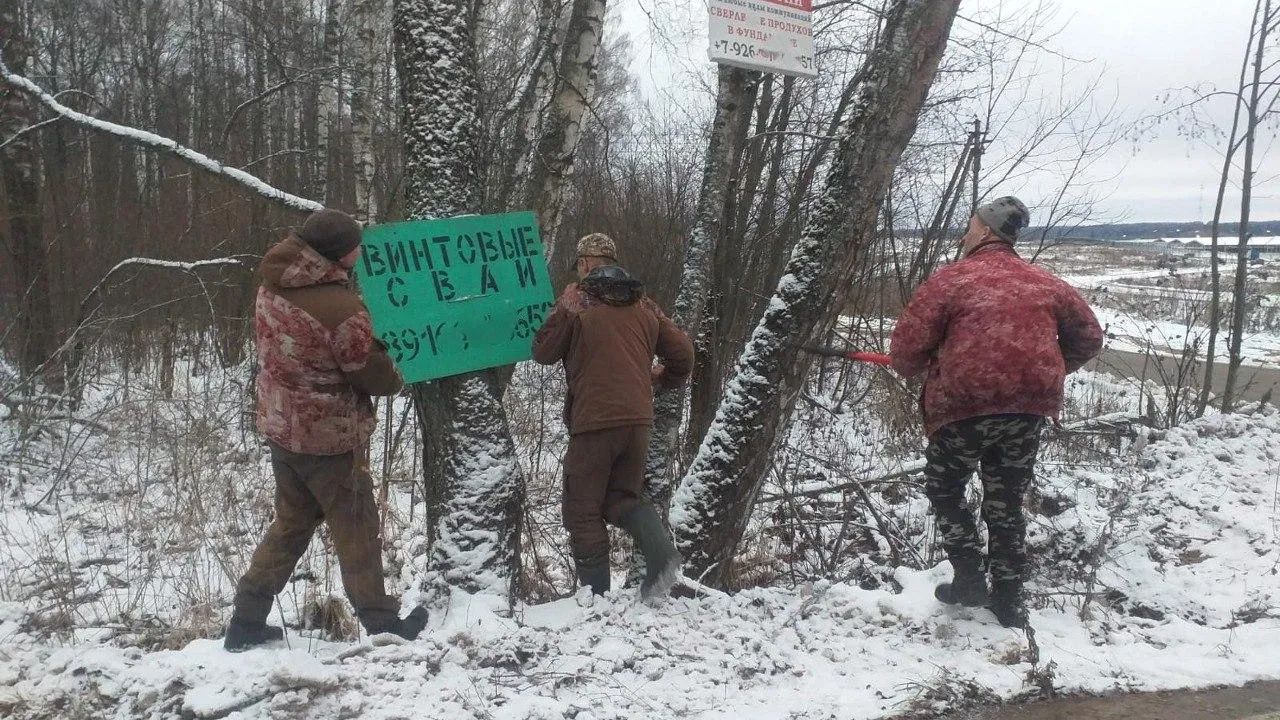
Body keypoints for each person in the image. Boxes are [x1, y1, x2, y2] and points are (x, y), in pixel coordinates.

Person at [889, 197, 1103, 628]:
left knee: (945, 489)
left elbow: (905, 355)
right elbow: (1089, 339)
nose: (966, 232)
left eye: (970, 225)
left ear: (985, 230)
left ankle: (968, 577)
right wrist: (1045, 367)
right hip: (1027, 409)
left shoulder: (949, 282)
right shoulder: (1047, 283)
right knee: (1005, 499)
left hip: (964, 407)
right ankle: (1008, 598)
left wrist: (938, 358)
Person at [225, 209, 427, 651]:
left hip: (282, 428)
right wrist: (392, 371)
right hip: (330, 438)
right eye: (357, 245)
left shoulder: (273, 284)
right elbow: (372, 376)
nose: (362, 250)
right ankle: (382, 624)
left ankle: (245, 620)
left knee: (292, 523)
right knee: (356, 527)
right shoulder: (342, 308)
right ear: (340, 254)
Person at [532, 233, 695, 599]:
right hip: (639, 421)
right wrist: (661, 379)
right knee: (619, 499)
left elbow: (543, 352)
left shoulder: (580, 303)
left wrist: (564, 310)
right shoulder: (644, 304)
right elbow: (683, 353)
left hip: (595, 421)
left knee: (582, 510)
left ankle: (595, 598)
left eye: (579, 264)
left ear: (587, 263)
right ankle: (661, 554)